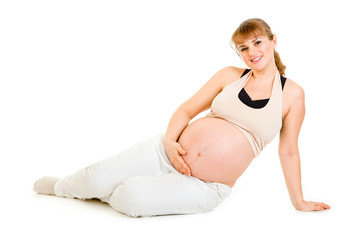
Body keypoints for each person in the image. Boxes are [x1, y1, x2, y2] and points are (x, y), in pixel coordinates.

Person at [33, 18, 331, 217]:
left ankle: (106, 190)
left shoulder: (293, 94)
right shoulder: (229, 76)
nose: (251, 52)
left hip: (205, 186)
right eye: (243, 48)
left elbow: (288, 150)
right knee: (93, 177)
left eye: (257, 43)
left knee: (130, 199)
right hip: (165, 152)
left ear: (272, 41)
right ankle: (65, 187)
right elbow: (186, 110)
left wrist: (298, 201)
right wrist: (172, 143)